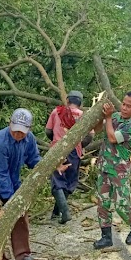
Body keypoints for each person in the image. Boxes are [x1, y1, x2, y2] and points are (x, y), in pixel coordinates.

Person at [0, 108, 65, 260]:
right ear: (10, 124)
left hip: (11, 179)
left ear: (28, 129)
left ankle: (23, 254)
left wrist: (51, 165)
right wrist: (12, 201)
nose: (18, 134)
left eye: (22, 132)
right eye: (15, 131)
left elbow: (34, 159)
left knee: (21, 215)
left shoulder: (29, 139)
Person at [92, 92, 131, 249]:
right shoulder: (114, 116)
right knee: (103, 203)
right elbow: (99, 130)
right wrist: (101, 117)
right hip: (105, 166)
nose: (125, 108)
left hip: (119, 170)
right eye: (123, 104)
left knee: (121, 204)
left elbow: (113, 138)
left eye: (129, 106)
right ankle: (106, 237)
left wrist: (107, 118)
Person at [45, 90, 92, 223]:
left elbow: (48, 131)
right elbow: (90, 136)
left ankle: (64, 212)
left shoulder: (56, 112)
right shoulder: (84, 116)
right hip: (74, 152)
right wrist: (79, 145)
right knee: (69, 182)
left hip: (58, 150)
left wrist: (55, 139)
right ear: (80, 103)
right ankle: (57, 212)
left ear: (67, 100)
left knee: (57, 182)